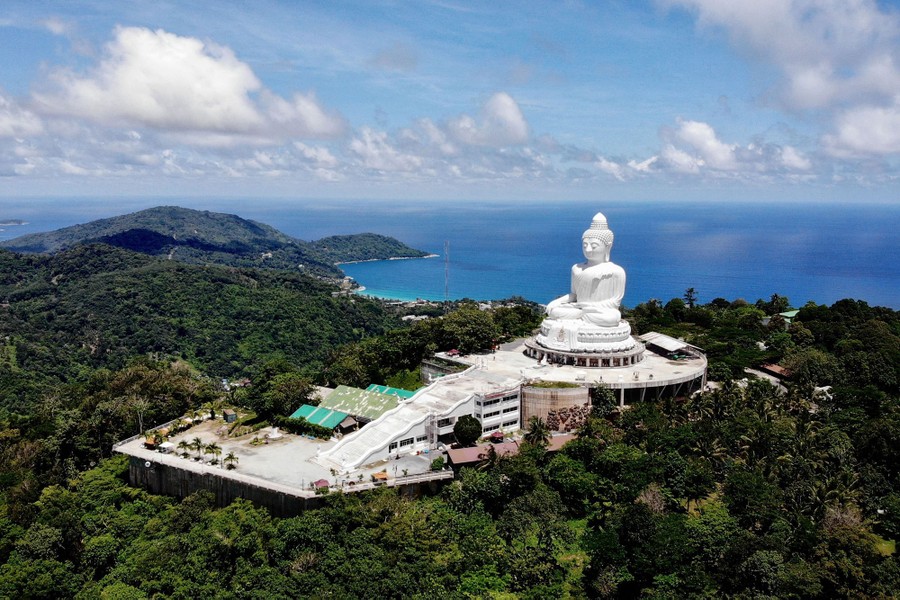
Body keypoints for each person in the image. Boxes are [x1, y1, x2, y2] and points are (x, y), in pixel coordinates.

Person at [545, 212, 625, 327]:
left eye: (593, 246)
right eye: (584, 245)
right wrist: (557, 301)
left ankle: (580, 318)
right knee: (554, 311)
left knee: (612, 318)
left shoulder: (616, 271)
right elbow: (574, 295)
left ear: (608, 246)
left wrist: (590, 307)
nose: (588, 250)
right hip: (580, 309)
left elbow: (615, 302)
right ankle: (580, 317)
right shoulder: (577, 268)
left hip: (599, 312)